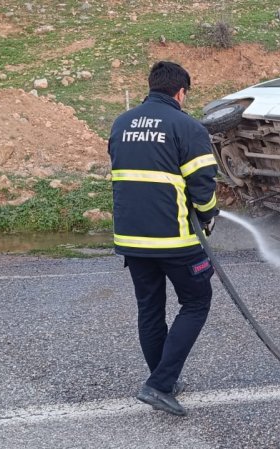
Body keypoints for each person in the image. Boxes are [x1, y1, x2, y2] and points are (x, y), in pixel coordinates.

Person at [108, 61, 219, 416]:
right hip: (174, 239)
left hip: (131, 238)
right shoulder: (187, 126)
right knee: (198, 300)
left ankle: (162, 379)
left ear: (152, 86)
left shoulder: (121, 123)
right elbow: (203, 187)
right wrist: (208, 216)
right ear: (180, 92)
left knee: (150, 309)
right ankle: (158, 384)